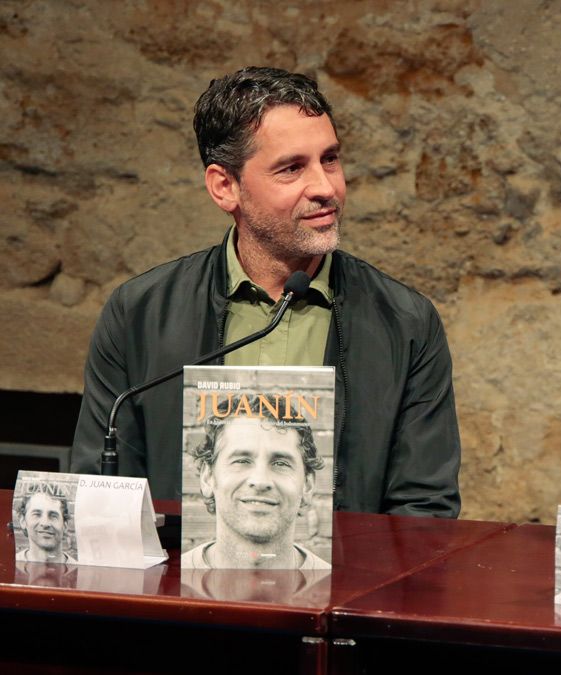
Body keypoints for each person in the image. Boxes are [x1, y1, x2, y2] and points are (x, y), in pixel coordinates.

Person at [69, 66, 461, 516]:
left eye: (330, 159)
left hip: (352, 585)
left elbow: (424, 510)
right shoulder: (138, 313)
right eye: (292, 168)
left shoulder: (407, 323)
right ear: (225, 187)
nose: (326, 187)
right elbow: (104, 494)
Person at [181, 398, 331, 569]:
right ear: (207, 477)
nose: (260, 481)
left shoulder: (335, 587)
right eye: (242, 461)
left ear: (307, 485)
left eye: (281, 463)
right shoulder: (170, 580)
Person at [16, 482, 77, 564]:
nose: (45, 523)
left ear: (65, 525)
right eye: (37, 514)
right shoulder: (10, 564)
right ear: (23, 521)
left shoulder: (79, 571)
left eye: (53, 516)